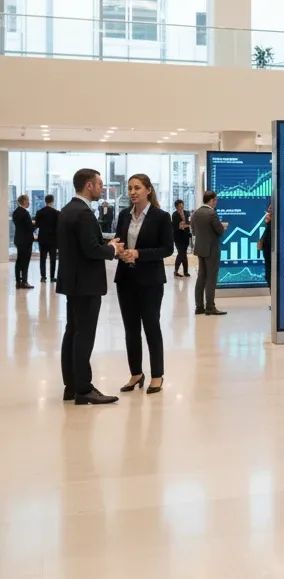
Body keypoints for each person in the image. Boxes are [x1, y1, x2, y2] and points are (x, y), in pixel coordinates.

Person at [57, 168, 133, 405]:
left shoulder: (67, 210)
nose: (102, 189)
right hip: (86, 285)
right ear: (89, 185)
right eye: (99, 185)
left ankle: (70, 385)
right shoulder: (84, 214)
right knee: (84, 336)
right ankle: (83, 388)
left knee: (72, 332)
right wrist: (112, 249)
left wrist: (106, 243)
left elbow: (81, 245)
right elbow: (91, 250)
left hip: (72, 282)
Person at [114, 174, 174, 395]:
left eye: (137, 188)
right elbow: (120, 240)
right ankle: (136, 373)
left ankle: (157, 375)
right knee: (131, 329)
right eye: (130, 188)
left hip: (150, 281)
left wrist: (138, 253)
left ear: (148, 190)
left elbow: (167, 249)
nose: (132, 192)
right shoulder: (123, 216)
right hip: (126, 279)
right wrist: (119, 250)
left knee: (151, 327)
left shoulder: (161, 217)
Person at [192, 190, 227, 316]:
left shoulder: (196, 213)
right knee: (211, 278)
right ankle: (210, 307)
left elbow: (194, 232)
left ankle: (199, 306)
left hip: (200, 249)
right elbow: (220, 231)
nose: (216, 202)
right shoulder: (212, 213)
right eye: (216, 200)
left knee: (201, 277)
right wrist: (223, 226)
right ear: (211, 200)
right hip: (212, 250)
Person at [11, 194, 35, 290]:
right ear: (24, 201)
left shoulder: (15, 212)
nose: (29, 202)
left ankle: (18, 282)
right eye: (28, 200)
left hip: (18, 239)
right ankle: (24, 282)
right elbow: (30, 228)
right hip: (26, 241)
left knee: (19, 261)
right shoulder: (25, 213)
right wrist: (37, 225)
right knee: (25, 262)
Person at [35, 195, 60, 284]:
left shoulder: (39, 212)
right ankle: (52, 277)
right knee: (53, 259)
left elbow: (37, 225)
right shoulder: (56, 213)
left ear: (45, 201)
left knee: (42, 258)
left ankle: (43, 277)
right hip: (53, 239)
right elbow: (59, 227)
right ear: (52, 201)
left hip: (42, 238)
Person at [172, 199, 191, 277]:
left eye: (182, 205)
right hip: (178, 237)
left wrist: (184, 224)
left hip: (186, 236)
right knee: (181, 253)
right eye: (179, 206)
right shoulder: (174, 214)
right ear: (176, 207)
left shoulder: (187, 213)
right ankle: (176, 271)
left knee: (184, 253)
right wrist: (182, 225)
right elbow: (176, 226)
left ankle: (185, 271)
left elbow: (189, 222)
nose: (181, 207)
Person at [257, 202, 273, 288]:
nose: (268, 211)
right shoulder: (269, 224)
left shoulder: (274, 225)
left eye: (271, 209)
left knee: (270, 276)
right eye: (268, 208)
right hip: (268, 256)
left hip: (271, 255)